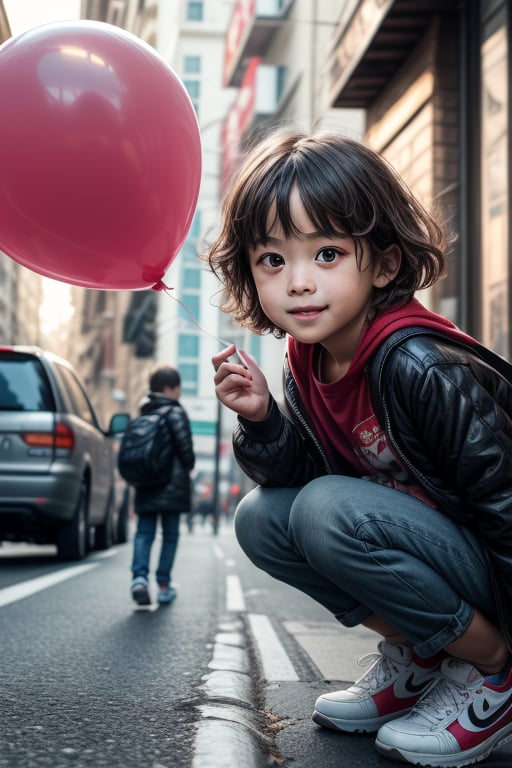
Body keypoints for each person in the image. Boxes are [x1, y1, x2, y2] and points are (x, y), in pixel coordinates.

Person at [206, 128, 512, 767]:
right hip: (433, 558)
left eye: (326, 254)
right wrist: (263, 421)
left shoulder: (421, 365)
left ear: (383, 263)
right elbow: (311, 477)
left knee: (323, 509)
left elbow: (504, 504)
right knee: (263, 518)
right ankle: (423, 657)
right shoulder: (304, 361)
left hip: (488, 565)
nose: (297, 283)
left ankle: (492, 670)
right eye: (272, 260)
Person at [130, 365, 195, 606]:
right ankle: (164, 585)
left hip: (146, 484)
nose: (179, 393)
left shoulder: (143, 412)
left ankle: (139, 580)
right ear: (170, 388)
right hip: (171, 485)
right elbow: (186, 451)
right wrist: (188, 467)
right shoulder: (174, 412)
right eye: (178, 388)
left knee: (144, 533)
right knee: (169, 535)